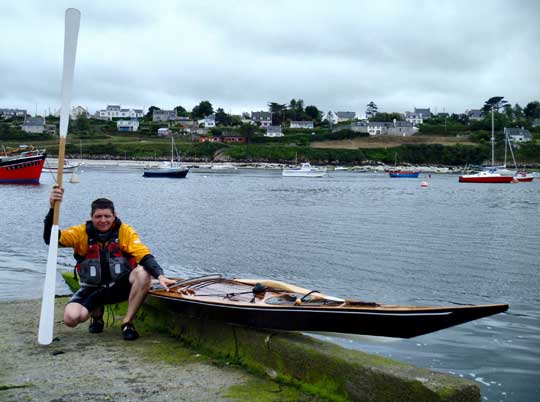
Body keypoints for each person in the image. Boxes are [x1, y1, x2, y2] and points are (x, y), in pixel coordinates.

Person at [44, 186, 176, 341]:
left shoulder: (125, 231)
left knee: (143, 272)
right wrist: (53, 208)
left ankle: (127, 322)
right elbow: (50, 239)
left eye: (107, 216)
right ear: (91, 217)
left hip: (119, 286)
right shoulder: (80, 233)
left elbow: (143, 254)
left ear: (114, 216)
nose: (103, 220)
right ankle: (97, 315)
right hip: (92, 288)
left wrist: (159, 275)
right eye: (98, 216)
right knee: (71, 318)